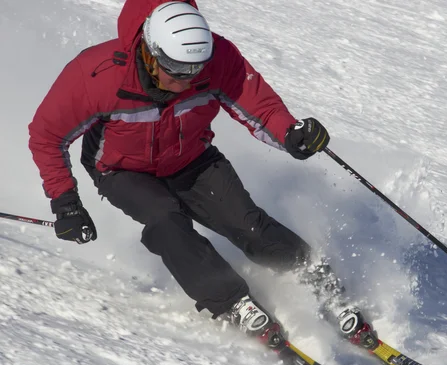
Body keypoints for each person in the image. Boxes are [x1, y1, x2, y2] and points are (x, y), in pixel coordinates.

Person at [29, 0, 373, 346]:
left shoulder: (219, 59)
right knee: (166, 220)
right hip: (122, 170)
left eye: (194, 70)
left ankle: (314, 277)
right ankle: (231, 301)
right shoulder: (96, 74)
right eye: (176, 70)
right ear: (151, 53)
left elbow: (260, 107)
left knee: (247, 222)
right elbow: (47, 137)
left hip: (192, 158)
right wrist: (66, 203)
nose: (186, 80)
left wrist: (291, 134)